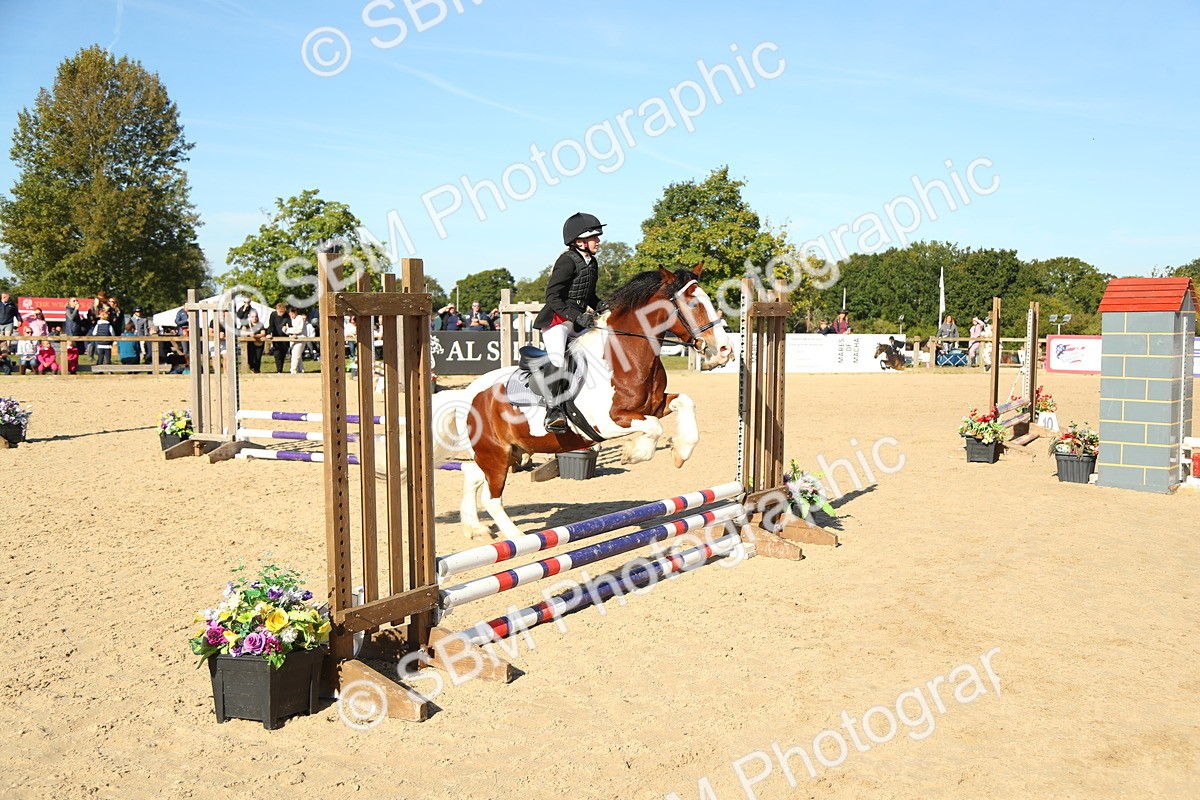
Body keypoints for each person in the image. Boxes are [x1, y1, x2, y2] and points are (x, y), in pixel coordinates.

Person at [532, 211, 606, 432]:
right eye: (594, 237)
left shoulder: (591, 262)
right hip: (556, 321)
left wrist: (603, 305)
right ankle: (553, 410)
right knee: (558, 360)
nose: (598, 241)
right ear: (580, 241)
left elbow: (587, 294)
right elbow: (552, 297)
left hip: (577, 321)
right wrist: (577, 316)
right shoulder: (566, 261)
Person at [267, 302, 291, 373]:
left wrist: (289, 330)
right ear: (277, 310)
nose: (281, 313)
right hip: (276, 336)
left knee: (283, 353)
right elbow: (271, 325)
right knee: (277, 353)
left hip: (284, 337)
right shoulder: (273, 315)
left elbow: (290, 324)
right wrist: (269, 333)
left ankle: (281, 369)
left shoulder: (286, 315)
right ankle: (279, 370)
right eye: (280, 312)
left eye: (283, 312)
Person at [286, 308, 308, 373]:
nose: (291, 316)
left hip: (301, 338)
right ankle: (301, 369)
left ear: (295, 312)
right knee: (298, 355)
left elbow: (299, 330)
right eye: (290, 315)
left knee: (295, 355)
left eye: (292, 314)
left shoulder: (300, 318)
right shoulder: (291, 320)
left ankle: (293, 370)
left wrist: (288, 330)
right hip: (294, 339)